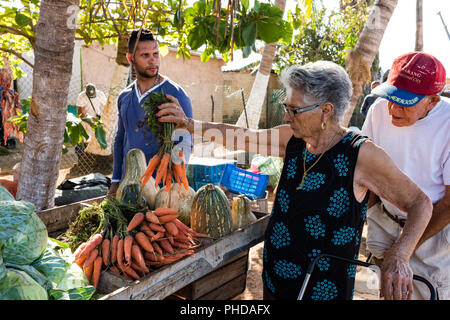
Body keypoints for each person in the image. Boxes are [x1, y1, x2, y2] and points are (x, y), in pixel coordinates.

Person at [157, 60, 432, 300]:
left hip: (323, 289)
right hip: (277, 278)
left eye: (294, 109)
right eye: (286, 107)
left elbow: (420, 203)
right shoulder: (294, 139)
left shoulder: (360, 154)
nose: (286, 115)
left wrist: (400, 255)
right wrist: (190, 124)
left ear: (325, 110)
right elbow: (242, 136)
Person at [361, 52, 449, 300]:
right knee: (387, 291)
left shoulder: (449, 123)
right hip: (386, 220)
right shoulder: (378, 110)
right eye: (391, 98)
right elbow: (367, 170)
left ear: (432, 102)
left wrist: (403, 249)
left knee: (427, 291)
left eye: (405, 103)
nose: (393, 109)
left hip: (436, 232)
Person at [108, 29, 193, 195]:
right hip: (129, 186)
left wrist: (174, 186)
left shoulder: (175, 94)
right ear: (130, 58)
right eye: (145, 55)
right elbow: (120, 139)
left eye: (155, 53)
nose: (152, 60)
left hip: (161, 188)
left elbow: (185, 142)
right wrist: (116, 180)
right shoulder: (124, 97)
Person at [75, 83, 107, 154]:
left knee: (96, 139)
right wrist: (89, 122)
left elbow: (106, 106)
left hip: (96, 119)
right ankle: (81, 157)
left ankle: (94, 157)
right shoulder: (82, 96)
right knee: (83, 140)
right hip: (85, 119)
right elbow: (79, 113)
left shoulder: (100, 94)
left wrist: (103, 118)